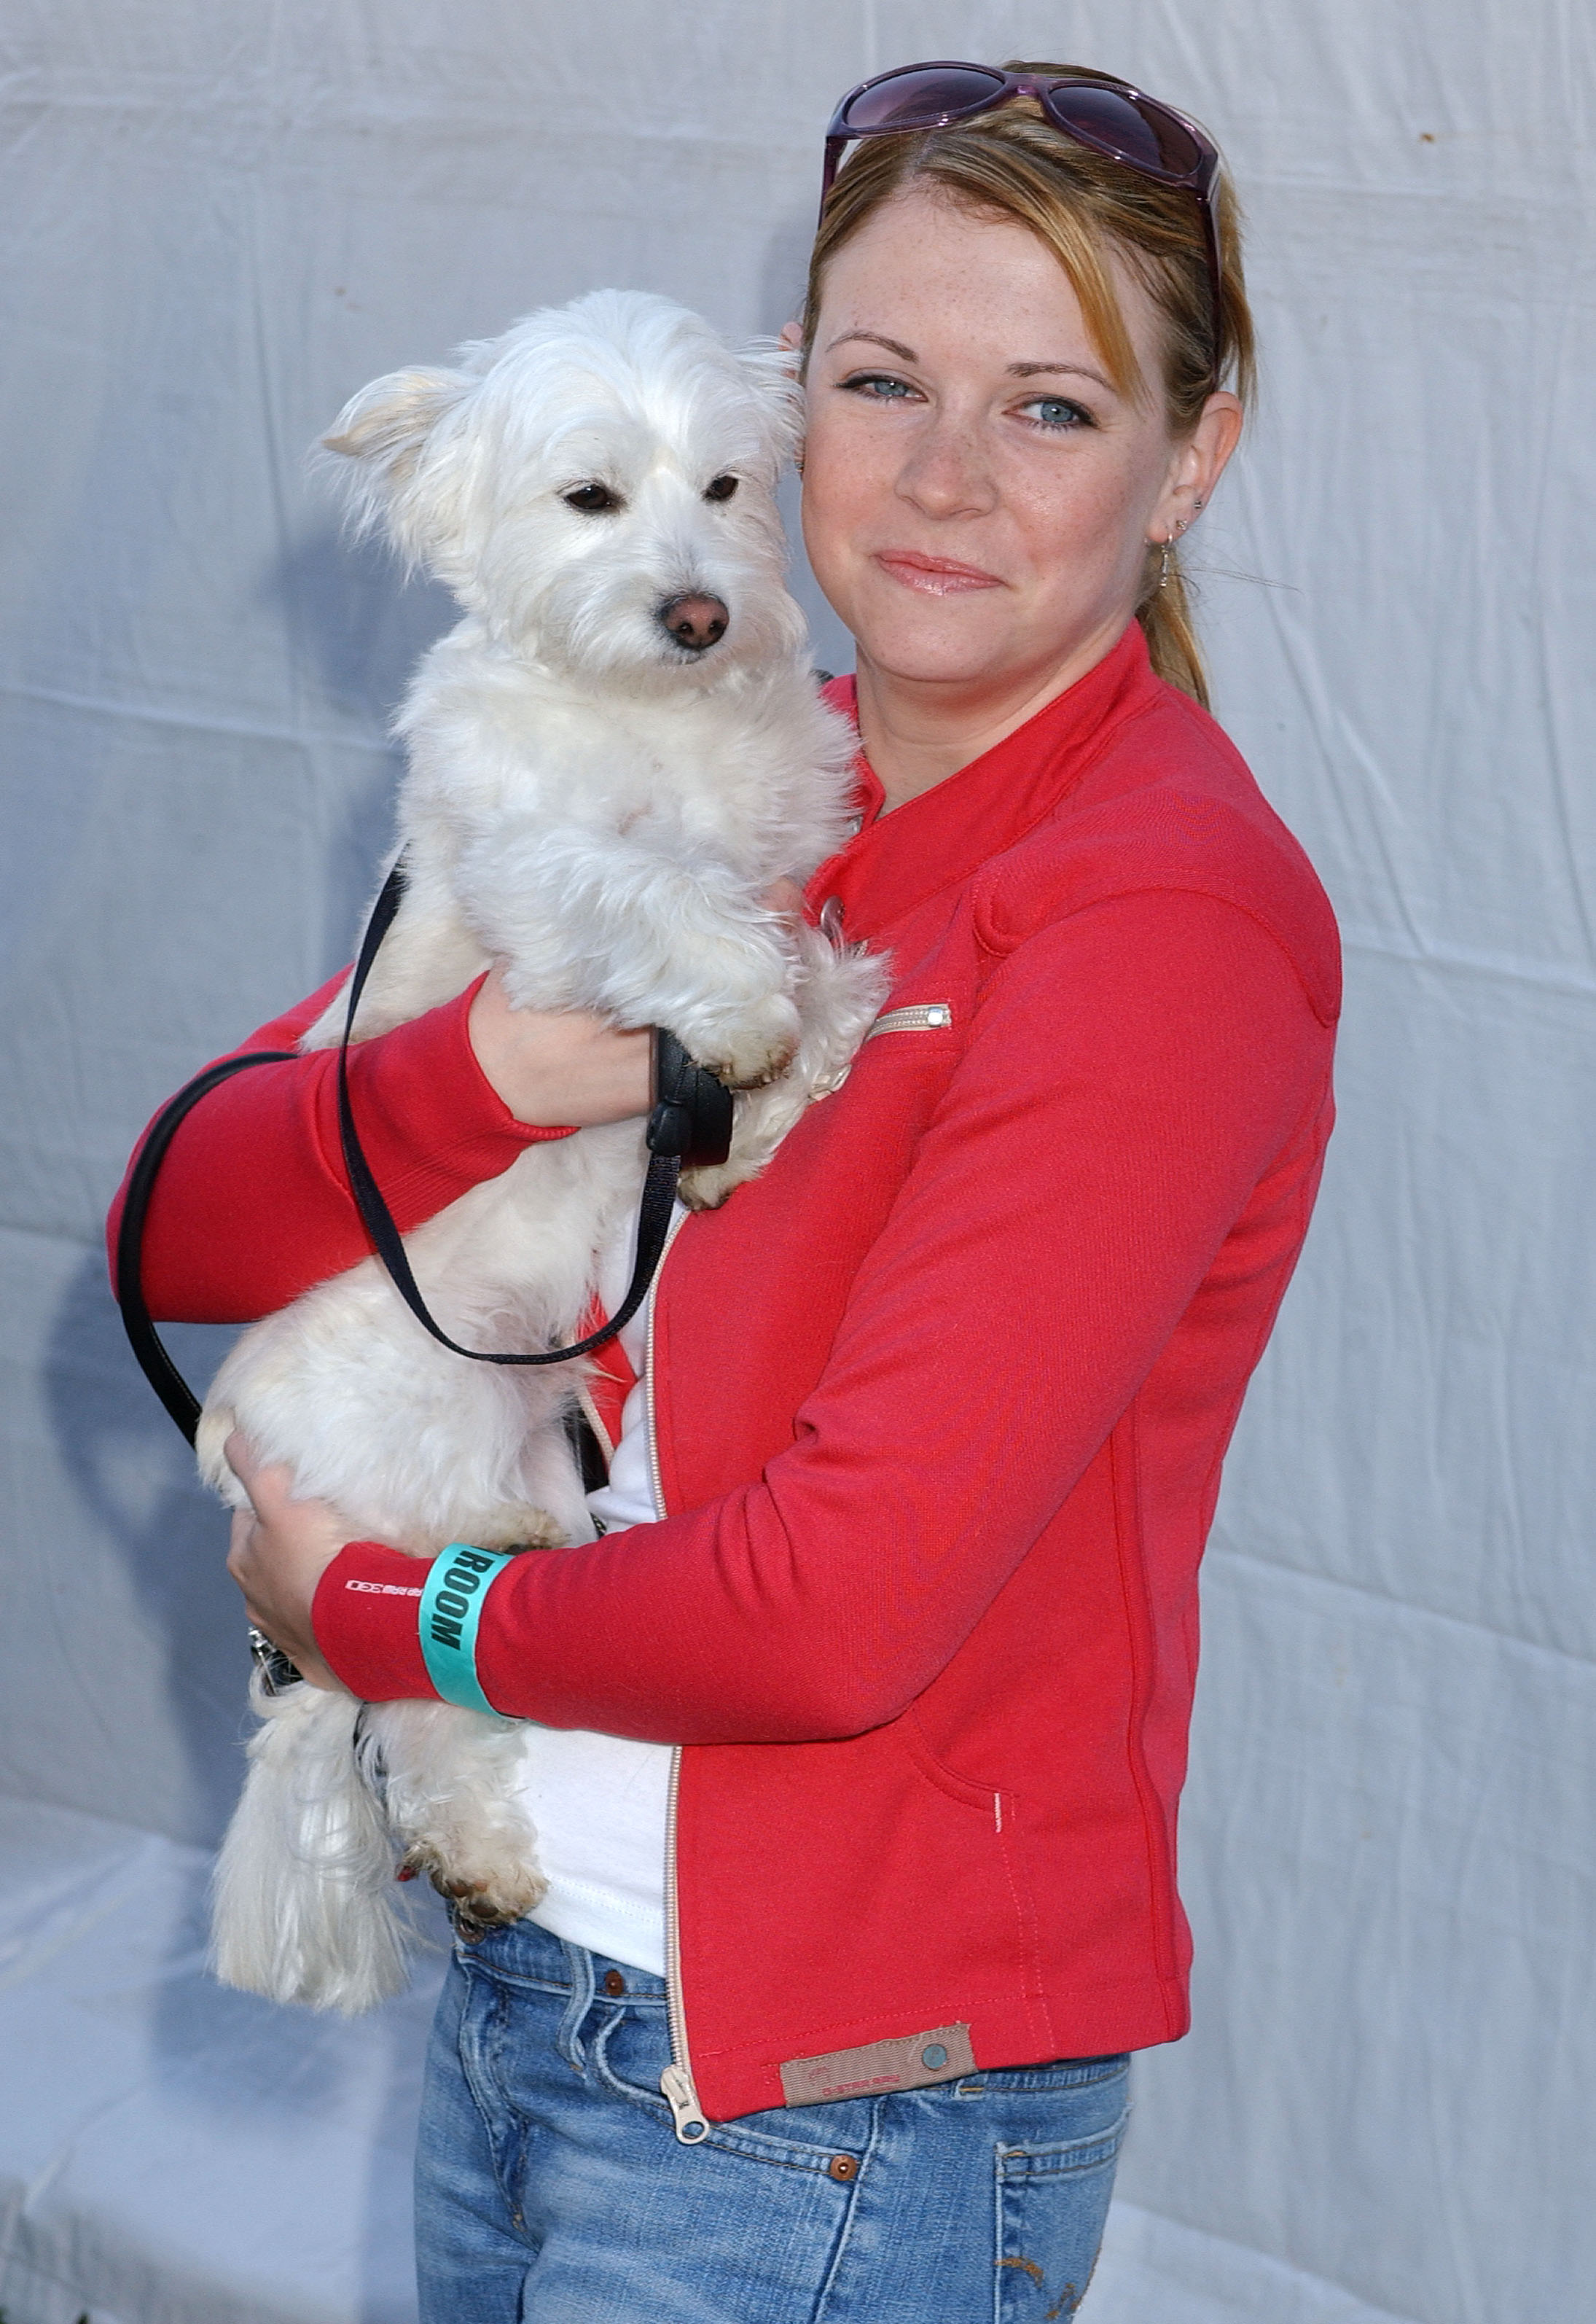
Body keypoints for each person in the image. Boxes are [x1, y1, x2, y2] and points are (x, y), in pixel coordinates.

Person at [112, 61, 1339, 2324]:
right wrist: (488, 1063)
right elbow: (182, 1229)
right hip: (540, 1988)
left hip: (823, 2105)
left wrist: (383, 1613)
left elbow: (829, 1608)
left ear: (1196, 456)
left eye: (1053, 407)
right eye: (885, 383)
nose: (946, 476)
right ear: (803, 412)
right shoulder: (756, 773)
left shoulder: (1154, 916)